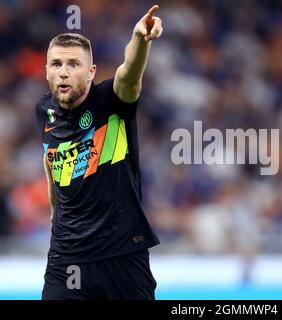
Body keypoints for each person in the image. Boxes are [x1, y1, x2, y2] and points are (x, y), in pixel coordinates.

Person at [35, 5, 163, 300]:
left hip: (122, 256)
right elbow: (51, 157)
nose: (63, 72)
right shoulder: (45, 111)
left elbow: (129, 74)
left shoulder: (112, 100)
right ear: (46, 71)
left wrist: (140, 40)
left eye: (73, 64)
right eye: (56, 64)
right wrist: (56, 211)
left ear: (91, 71)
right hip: (66, 258)